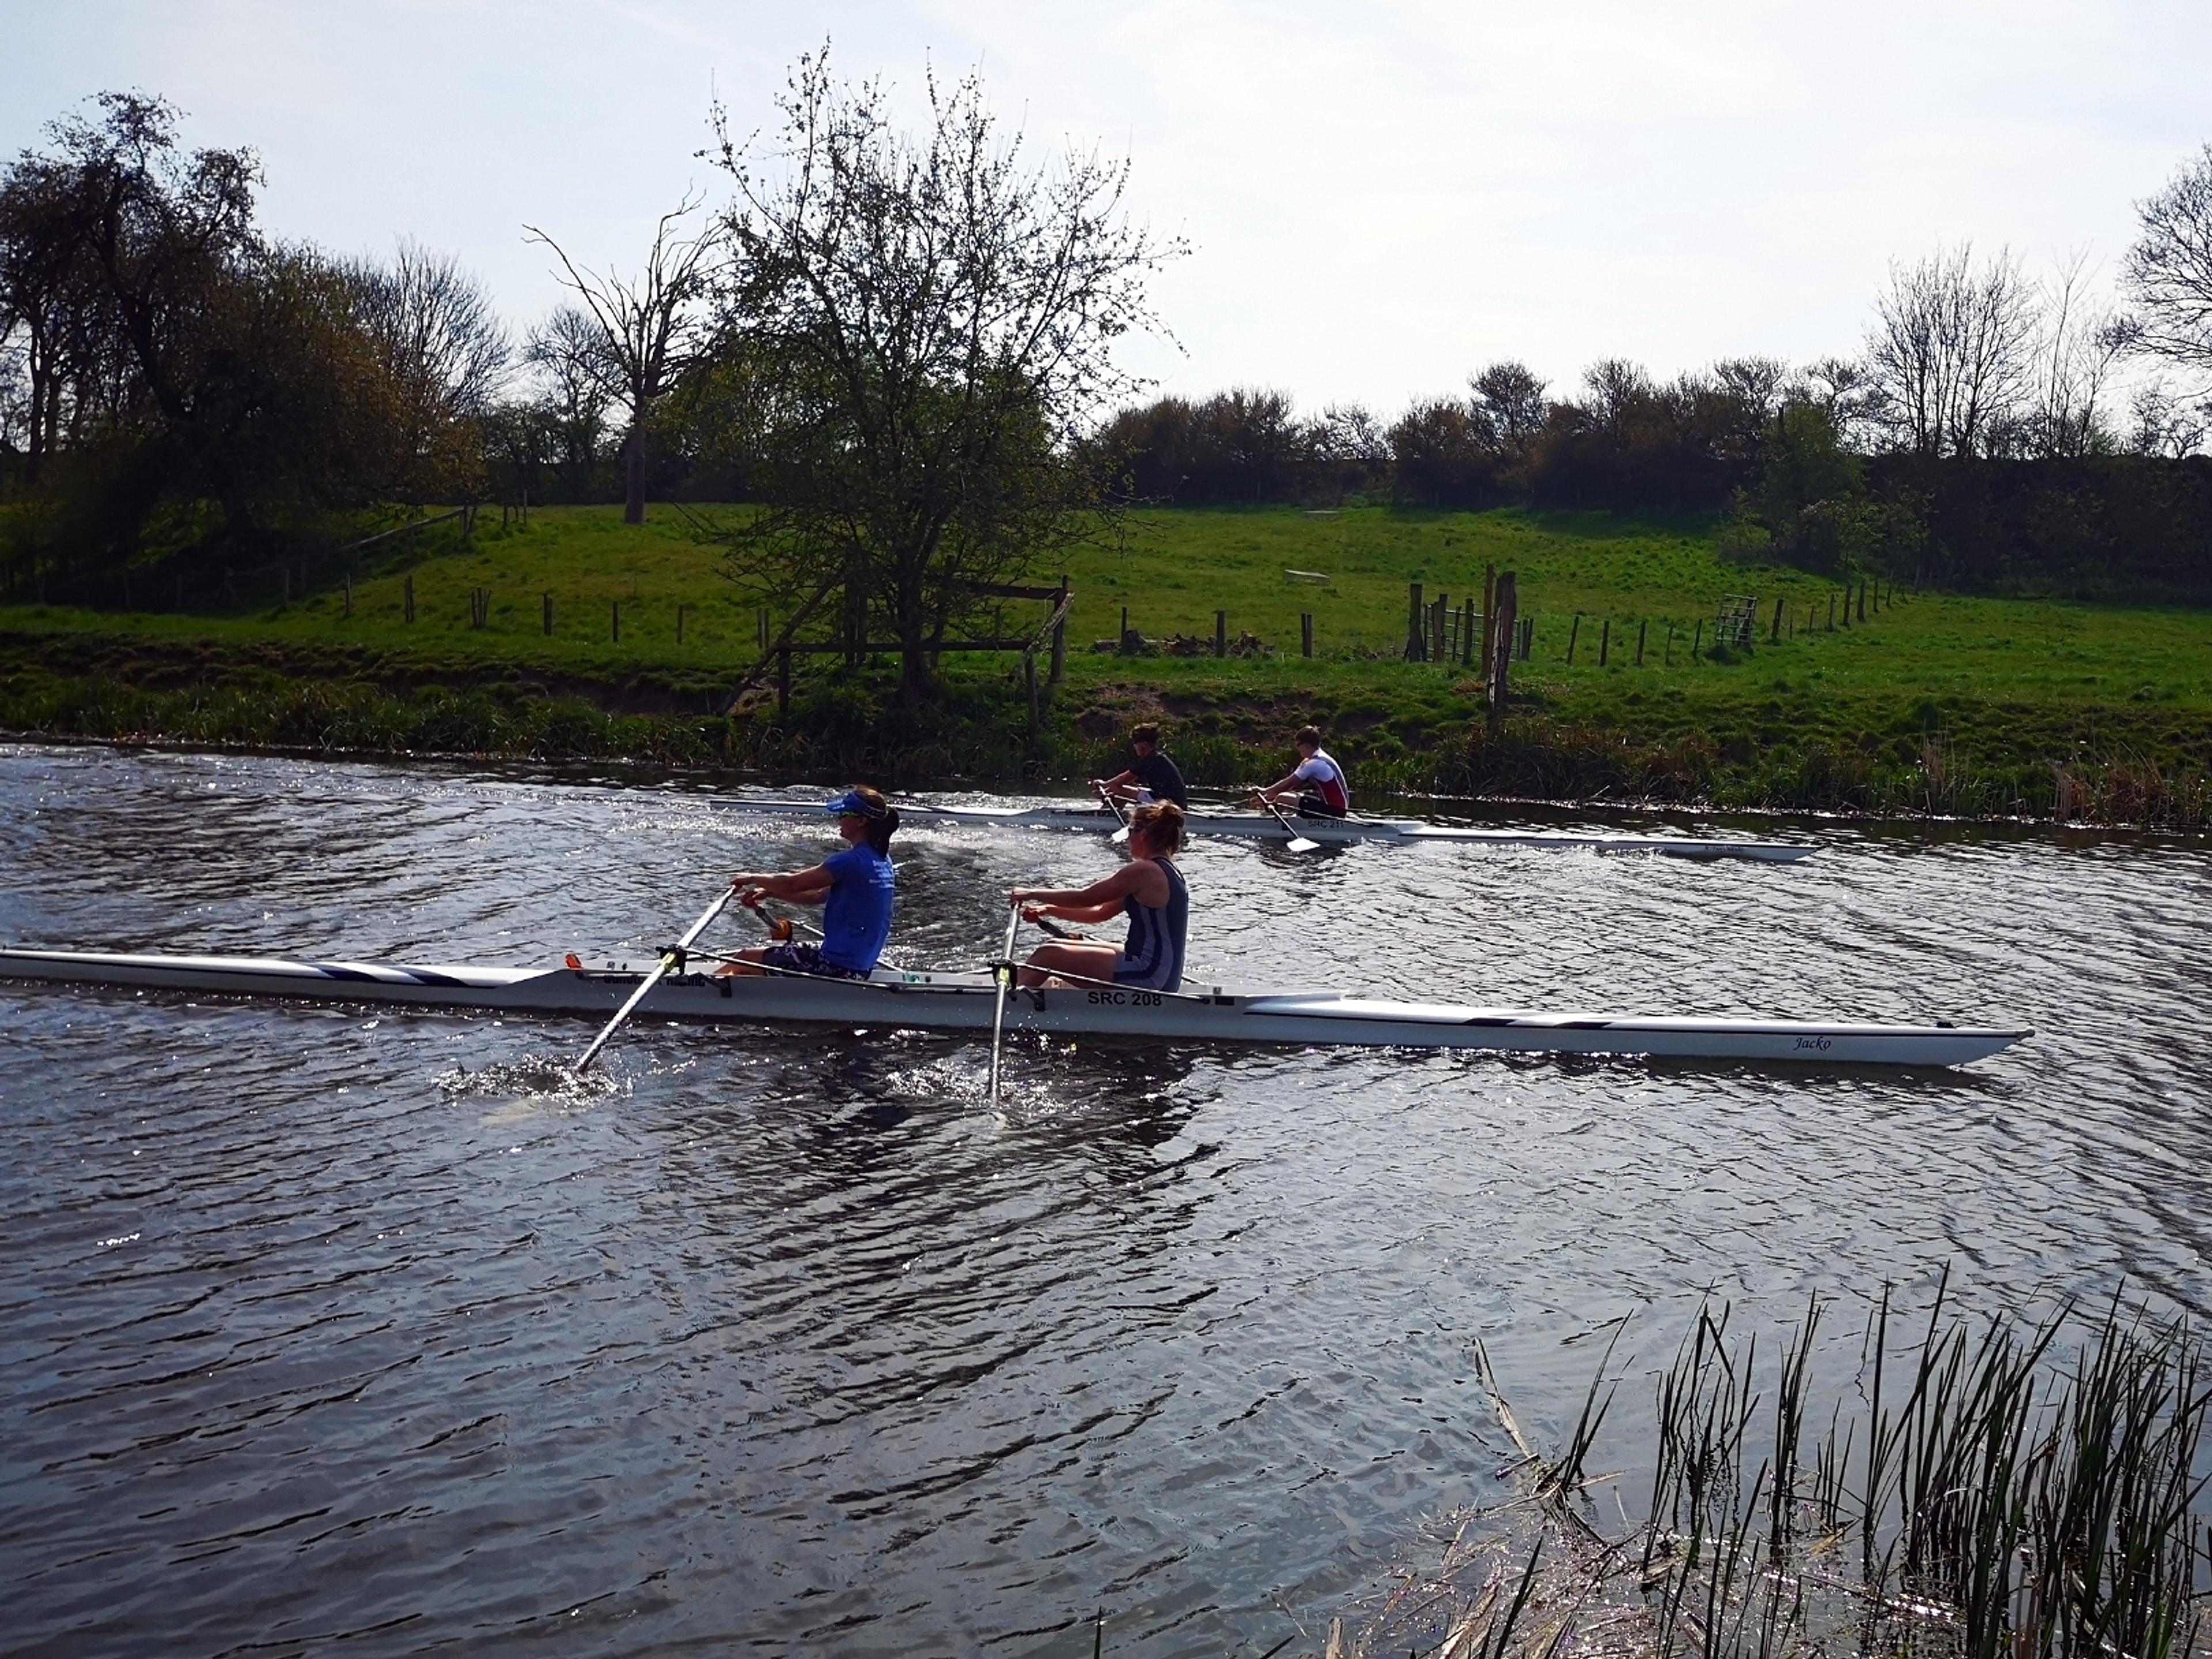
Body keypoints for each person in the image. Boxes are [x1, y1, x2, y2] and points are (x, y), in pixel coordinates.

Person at [718, 787, 899, 980]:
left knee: (744, 958)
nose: (838, 819)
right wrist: (771, 893)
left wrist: (752, 878)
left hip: (836, 966)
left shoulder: (849, 862)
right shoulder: (881, 861)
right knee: (763, 957)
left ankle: (696, 991)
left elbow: (792, 884)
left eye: (844, 814)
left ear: (862, 822)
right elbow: (817, 895)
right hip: (859, 966)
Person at [1009, 801, 1188, 992]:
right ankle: (1019, 987)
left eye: (1129, 834)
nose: (1127, 841)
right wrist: (1048, 911)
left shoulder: (1145, 871)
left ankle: (1006, 1000)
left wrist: (1031, 893)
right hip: (1163, 974)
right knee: (1057, 944)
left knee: (1048, 955)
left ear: (1142, 836)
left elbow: (1084, 898)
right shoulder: (1168, 871)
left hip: (1150, 975)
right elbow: (1100, 913)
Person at [1253, 725, 1350, 819]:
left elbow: (1287, 785)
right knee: (1292, 795)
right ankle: (1276, 816)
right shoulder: (1321, 757)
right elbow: (1290, 784)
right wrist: (1269, 794)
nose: (1297, 748)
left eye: (1298, 745)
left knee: (1282, 798)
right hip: (1337, 809)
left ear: (1307, 746)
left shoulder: (1315, 763)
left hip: (1334, 813)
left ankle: (1270, 824)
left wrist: (1264, 792)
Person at [1093, 722, 1188, 809]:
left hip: (1168, 804)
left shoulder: (1151, 760)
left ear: (1143, 745)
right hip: (1170, 800)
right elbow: (1127, 781)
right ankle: (1113, 812)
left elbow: (1122, 779)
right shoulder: (1157, 757)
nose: (1134, 747)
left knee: (1116, 788)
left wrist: (1104, 785)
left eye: (1135, 744)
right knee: (1123, 787)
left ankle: (1106, 817)